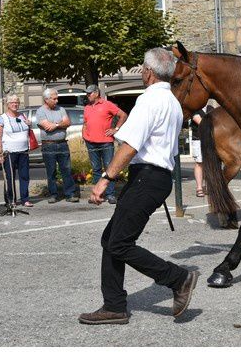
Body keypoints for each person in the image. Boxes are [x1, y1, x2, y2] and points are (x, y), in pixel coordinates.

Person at [80, 48, 199, 325]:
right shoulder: (171, 101)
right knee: (111, 240)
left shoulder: (149, 101)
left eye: (142, 69)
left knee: (119, 243)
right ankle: (114, 306)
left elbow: (130, 146)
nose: (142, 72)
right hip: (154, 178)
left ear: (148, 72)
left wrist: (105, 179)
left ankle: (178, 278)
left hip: (148, 177)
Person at [82, 84, 127, 205]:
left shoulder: (107, 104)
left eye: (89, 93)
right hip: (91, 143)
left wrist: (116, 129)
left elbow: (123, 115)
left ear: (96, 93)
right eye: (87, 93)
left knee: (109, 169)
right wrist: (84, 136)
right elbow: (85, 123)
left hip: (106, 142)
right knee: (96, 169)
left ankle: (110, 194)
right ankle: (98, 194)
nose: (88, 95)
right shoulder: (87, 107)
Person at [36, 88, 79, 203]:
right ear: (46, 99)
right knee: (51, 171)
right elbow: (47, 127)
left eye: (57, 98)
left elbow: (68, 122)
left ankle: (70, 194)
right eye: (54, 99)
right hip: (48, 145)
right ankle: (53, 194)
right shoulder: (40, 111)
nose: (56, 100)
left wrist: (55, 125)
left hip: (62, 144)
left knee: (66, 170)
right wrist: (60, 124)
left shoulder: (61, 109)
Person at [0, 94, 33, 207]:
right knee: (10, 177)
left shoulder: (23, 116)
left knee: (25, 176)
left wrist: (29, 125)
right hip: (9, 152)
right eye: (12, 102)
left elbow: (27, 131)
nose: (15, 104)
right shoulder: (2, 118)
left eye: (17, 102)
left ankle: (25, 199)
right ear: (7, 104)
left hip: (23, 151)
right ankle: (11, 200)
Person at [191, 104, 214, 197]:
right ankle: (199, 187)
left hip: (211, 139)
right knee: (199, 163)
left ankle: (210, 187)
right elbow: (200, 122)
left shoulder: (210, 108)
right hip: (198, 139)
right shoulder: (195, 109)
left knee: (211, 163)